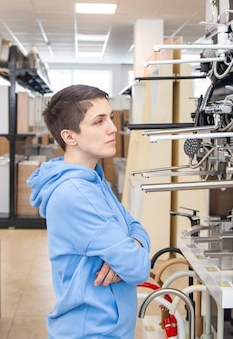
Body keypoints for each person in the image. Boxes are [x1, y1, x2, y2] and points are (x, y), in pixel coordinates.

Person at [28, 84, 151, 339]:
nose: (113, 128)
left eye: (111, 118)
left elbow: (135, 227)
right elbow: (139, 268)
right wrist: (128, 254)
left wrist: (132, 244)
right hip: (93, 332)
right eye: (99, 122)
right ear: (70, 136)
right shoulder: (76, 195)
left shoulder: (93, 178)